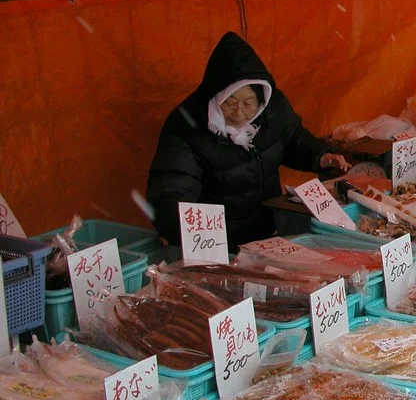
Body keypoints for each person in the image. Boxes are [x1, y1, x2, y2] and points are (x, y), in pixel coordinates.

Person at [147, 32, 349, 249]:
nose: (239, 112)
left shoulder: (272, 109)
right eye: (229, 103)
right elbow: (170, 192)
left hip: (269, 230)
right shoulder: (187, 127)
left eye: (248, 102)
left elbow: (293, 138)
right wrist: (183, 235)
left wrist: (321, 156)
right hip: (219, 242)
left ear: (261, 97)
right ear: (215, 98)